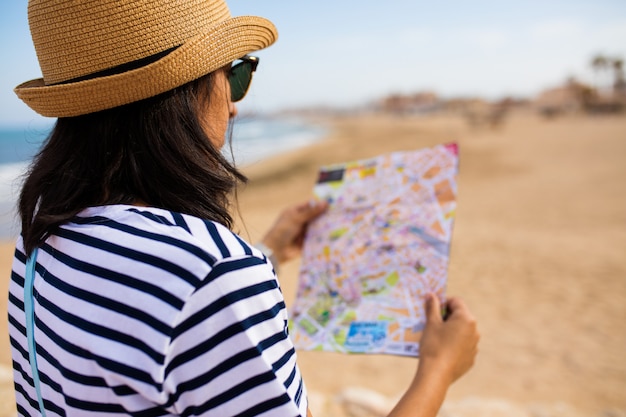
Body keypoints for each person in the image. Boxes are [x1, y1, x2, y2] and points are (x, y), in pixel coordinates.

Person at [8, 0, 479, 415]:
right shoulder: (211, 271)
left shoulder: (38, 242)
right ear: (182, 92)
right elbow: (191, 298)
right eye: (234, 73)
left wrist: (268, 252)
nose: (234, 105)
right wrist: (437, 371)